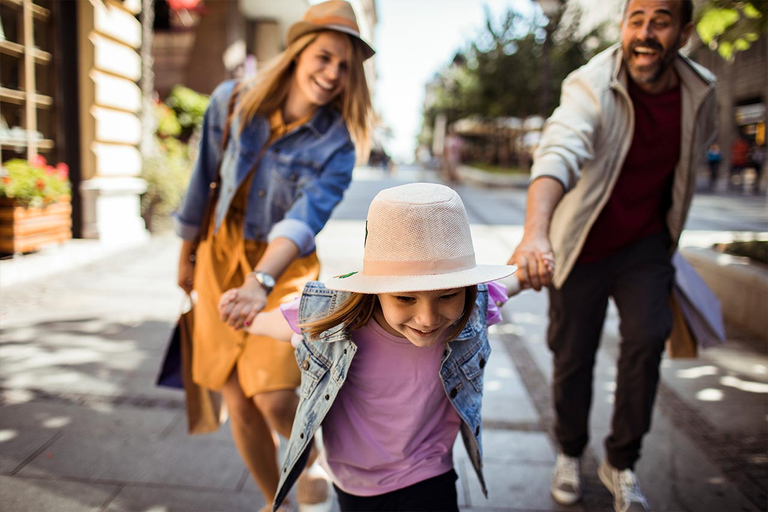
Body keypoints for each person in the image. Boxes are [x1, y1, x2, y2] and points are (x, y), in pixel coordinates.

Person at [508, 1, 716, 511]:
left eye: (660, 21)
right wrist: (536, 232)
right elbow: (559, 149)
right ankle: (570, 451)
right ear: (622, 26)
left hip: (645, 245)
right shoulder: (590, 83)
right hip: (581, 244)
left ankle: (620, 461)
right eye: (635, 19)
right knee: (572, 354)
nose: (645, 33)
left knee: (647, 337)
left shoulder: (701, 90)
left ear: (684, 32)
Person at [173, 1, 374, 509]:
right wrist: (186, 253)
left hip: (284, 267)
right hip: (220, 257)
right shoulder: (232, 99)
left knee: (274, 395)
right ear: (300, 50)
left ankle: (312, 454)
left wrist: (260, 281)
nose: (332, 74)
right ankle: (275, 502)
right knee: (237, 398)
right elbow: (203, 184)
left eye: (345, 67)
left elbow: (304, 220)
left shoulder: (338, 146)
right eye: (325, 57)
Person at [221, 183, 518, 511]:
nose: (428, 318)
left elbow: (506, 286)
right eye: (406, 298)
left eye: (447, 295)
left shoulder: (473, 305)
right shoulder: (331, 317)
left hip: (430, 470)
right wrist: (244, 315)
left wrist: (533, 271)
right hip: (355, 481)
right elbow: (277, 322)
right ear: (376, 290)